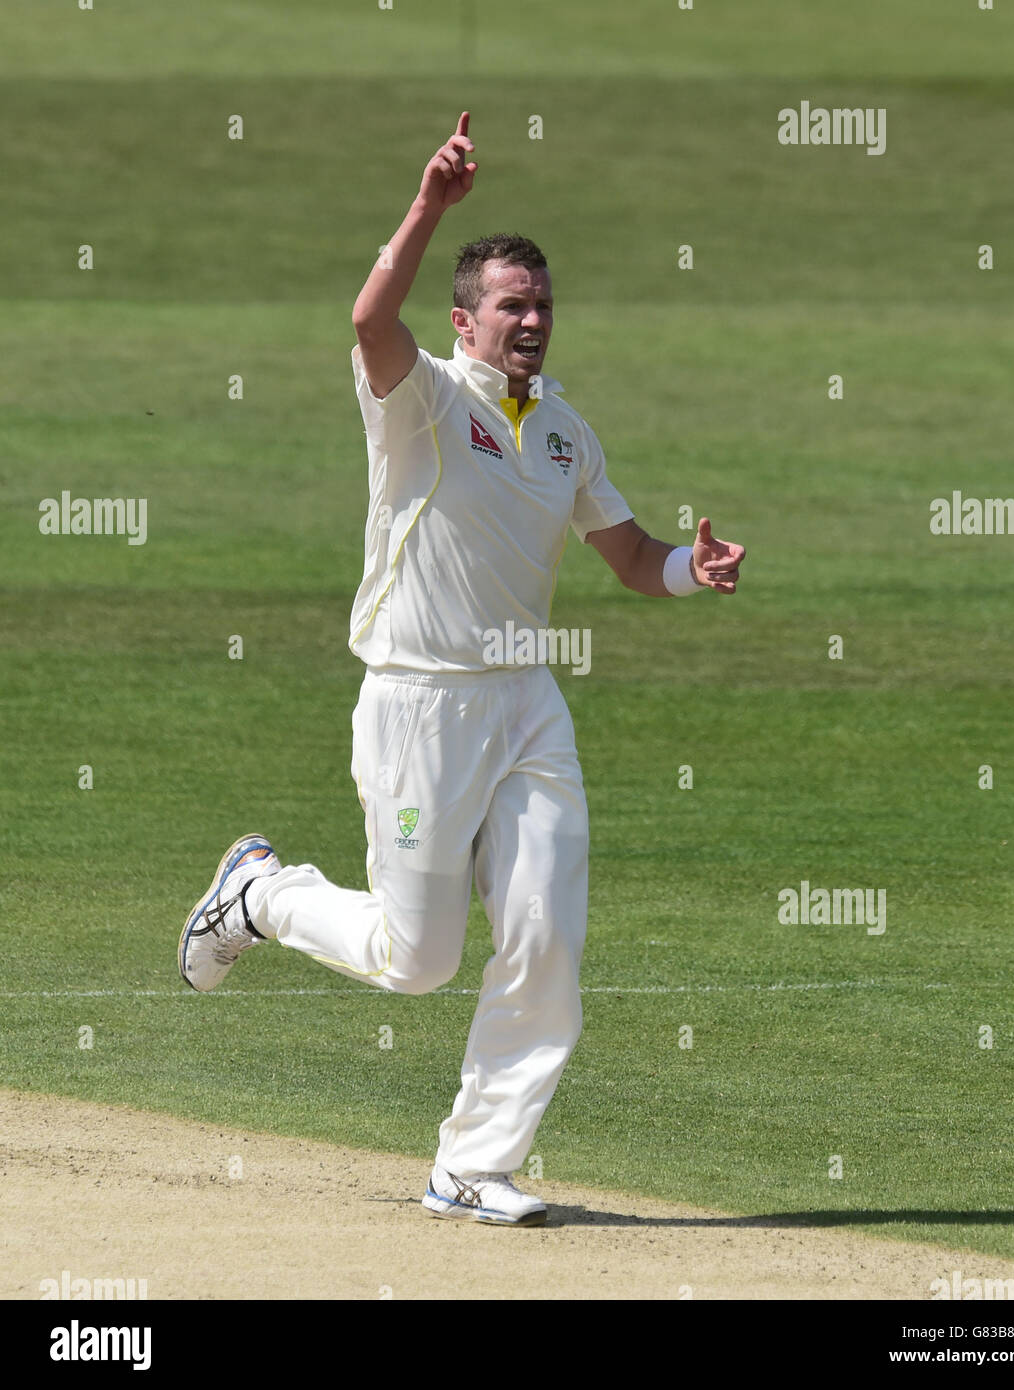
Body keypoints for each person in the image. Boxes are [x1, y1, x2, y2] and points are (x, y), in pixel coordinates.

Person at [178, 112, 745, 1227]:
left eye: (541, 305)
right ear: (466, 320)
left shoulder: (566, 431)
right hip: (418, 702)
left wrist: (692, 568)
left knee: (547, 934)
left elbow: (627, 556)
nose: (530, 321)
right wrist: (430, 202)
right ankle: (258, 892)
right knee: (417, 960)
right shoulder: (422, 400)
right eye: (510, 306)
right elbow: (365, 316)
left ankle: (473, 1165)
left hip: (526, 703)